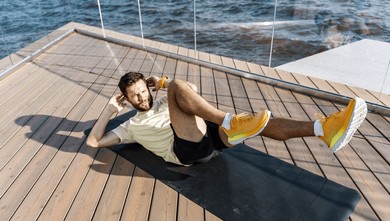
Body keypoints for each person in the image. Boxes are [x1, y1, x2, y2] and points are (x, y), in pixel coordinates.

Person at [86, 72, 367, 166]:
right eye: (133, 96)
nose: (141, 99)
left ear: (148, 88)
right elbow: (95, 142)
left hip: (205, 134)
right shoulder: (130, 126)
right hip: (185, 149)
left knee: (260, 124)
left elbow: (191, 91)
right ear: (127, 99)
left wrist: (161, 83)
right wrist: (109, 110)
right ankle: (231, 123)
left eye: (142, 92)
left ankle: (325, 129)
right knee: (180, 91)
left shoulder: (161, 99)